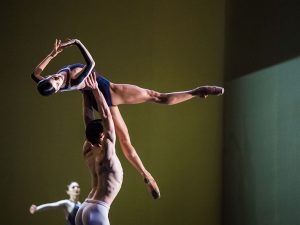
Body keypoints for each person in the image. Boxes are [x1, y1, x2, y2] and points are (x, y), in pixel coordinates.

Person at [31, 39, 223, 198]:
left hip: (93, 97)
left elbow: (35, 74)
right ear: (57, 90)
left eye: (54, 80)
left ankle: (146, 174)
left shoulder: (49, 79)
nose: (57, 80)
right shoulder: (74, 80)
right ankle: (197, 91)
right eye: (56, 85)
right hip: (107, 91)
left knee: (124, 141)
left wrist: (52, 54)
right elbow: (91, 64)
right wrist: (76, 43)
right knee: (156, 96)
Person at [76, 73, 124, 225]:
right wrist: (95, 90)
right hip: (97, 210)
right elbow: (106, 115)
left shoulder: (88, 147)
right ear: (103, 135)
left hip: (85, 207)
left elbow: (87, 118)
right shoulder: (107, 150)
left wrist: (85, 92)